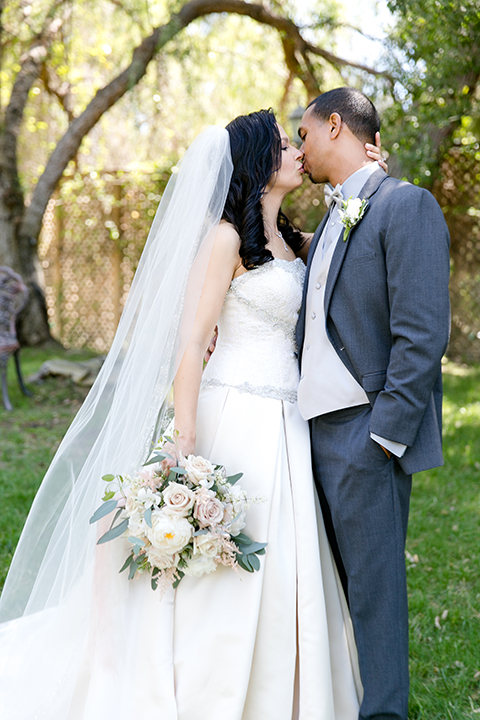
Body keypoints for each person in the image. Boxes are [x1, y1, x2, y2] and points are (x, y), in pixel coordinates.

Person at [0, 108, 384, 720]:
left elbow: (348, 249)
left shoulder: (292, 238)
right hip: (234, 412)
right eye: (285, 145)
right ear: (258, 163)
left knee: (284, 559)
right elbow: (190, 341)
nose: (296, 152)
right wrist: (185, 438)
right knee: (224, 559)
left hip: (288, 422)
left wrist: (364, 181)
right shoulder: (226, 239)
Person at [296, 87, 451, 720]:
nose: (299, 151)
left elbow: (422, 335)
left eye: (303, 135)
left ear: (336, 126)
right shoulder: (335, 217)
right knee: (333, 590)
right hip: (311, 431)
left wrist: (383, 435)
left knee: (376, 593)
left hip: (365, 434)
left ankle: (384, 712)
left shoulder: (404, 206)